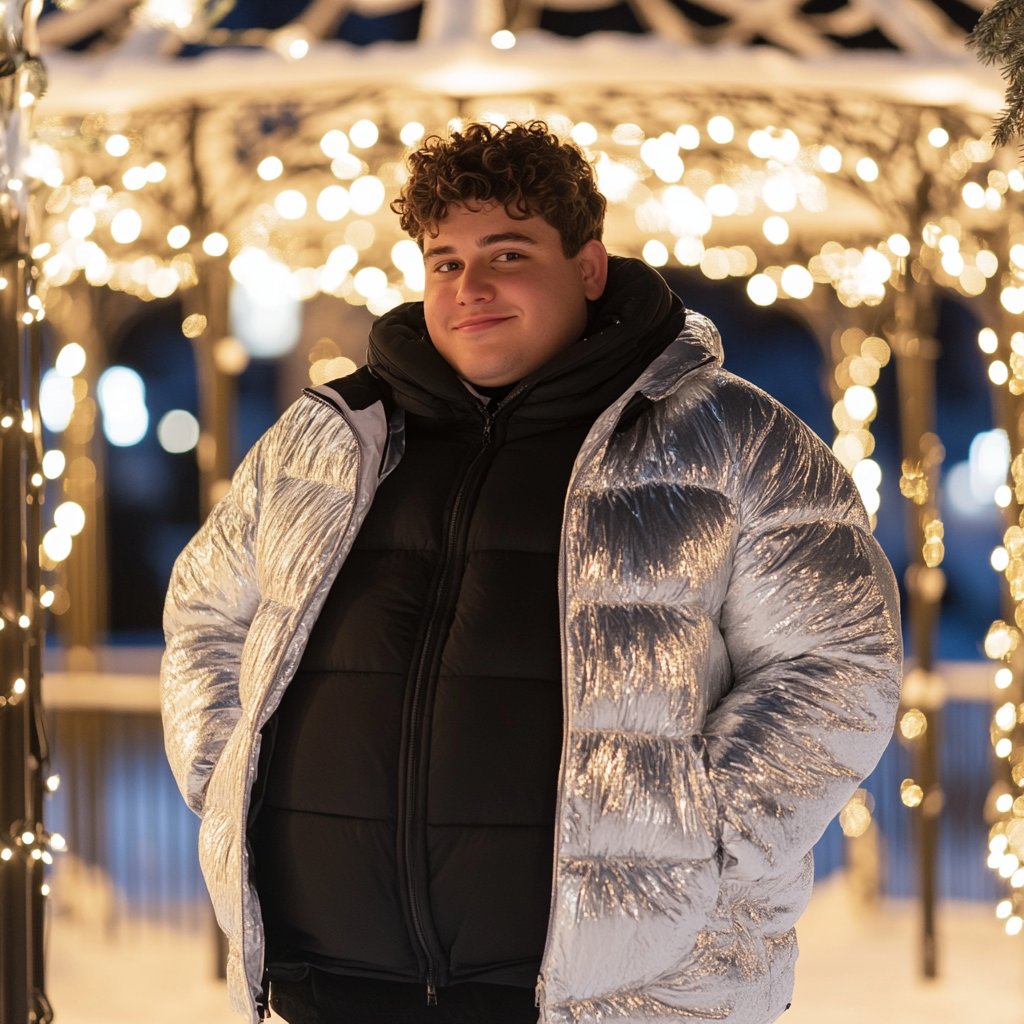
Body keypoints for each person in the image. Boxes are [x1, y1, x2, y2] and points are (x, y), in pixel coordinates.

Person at [161, 121, 901, 1024]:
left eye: (506, 254)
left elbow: (840, 663)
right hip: (334, 981)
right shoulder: (330, 437)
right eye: (444, 262)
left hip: (613, 991)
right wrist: (225, 773)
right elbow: (205, 614)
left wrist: (701, 843)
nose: (470, 288)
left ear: (587, 268)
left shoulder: (733, 441)